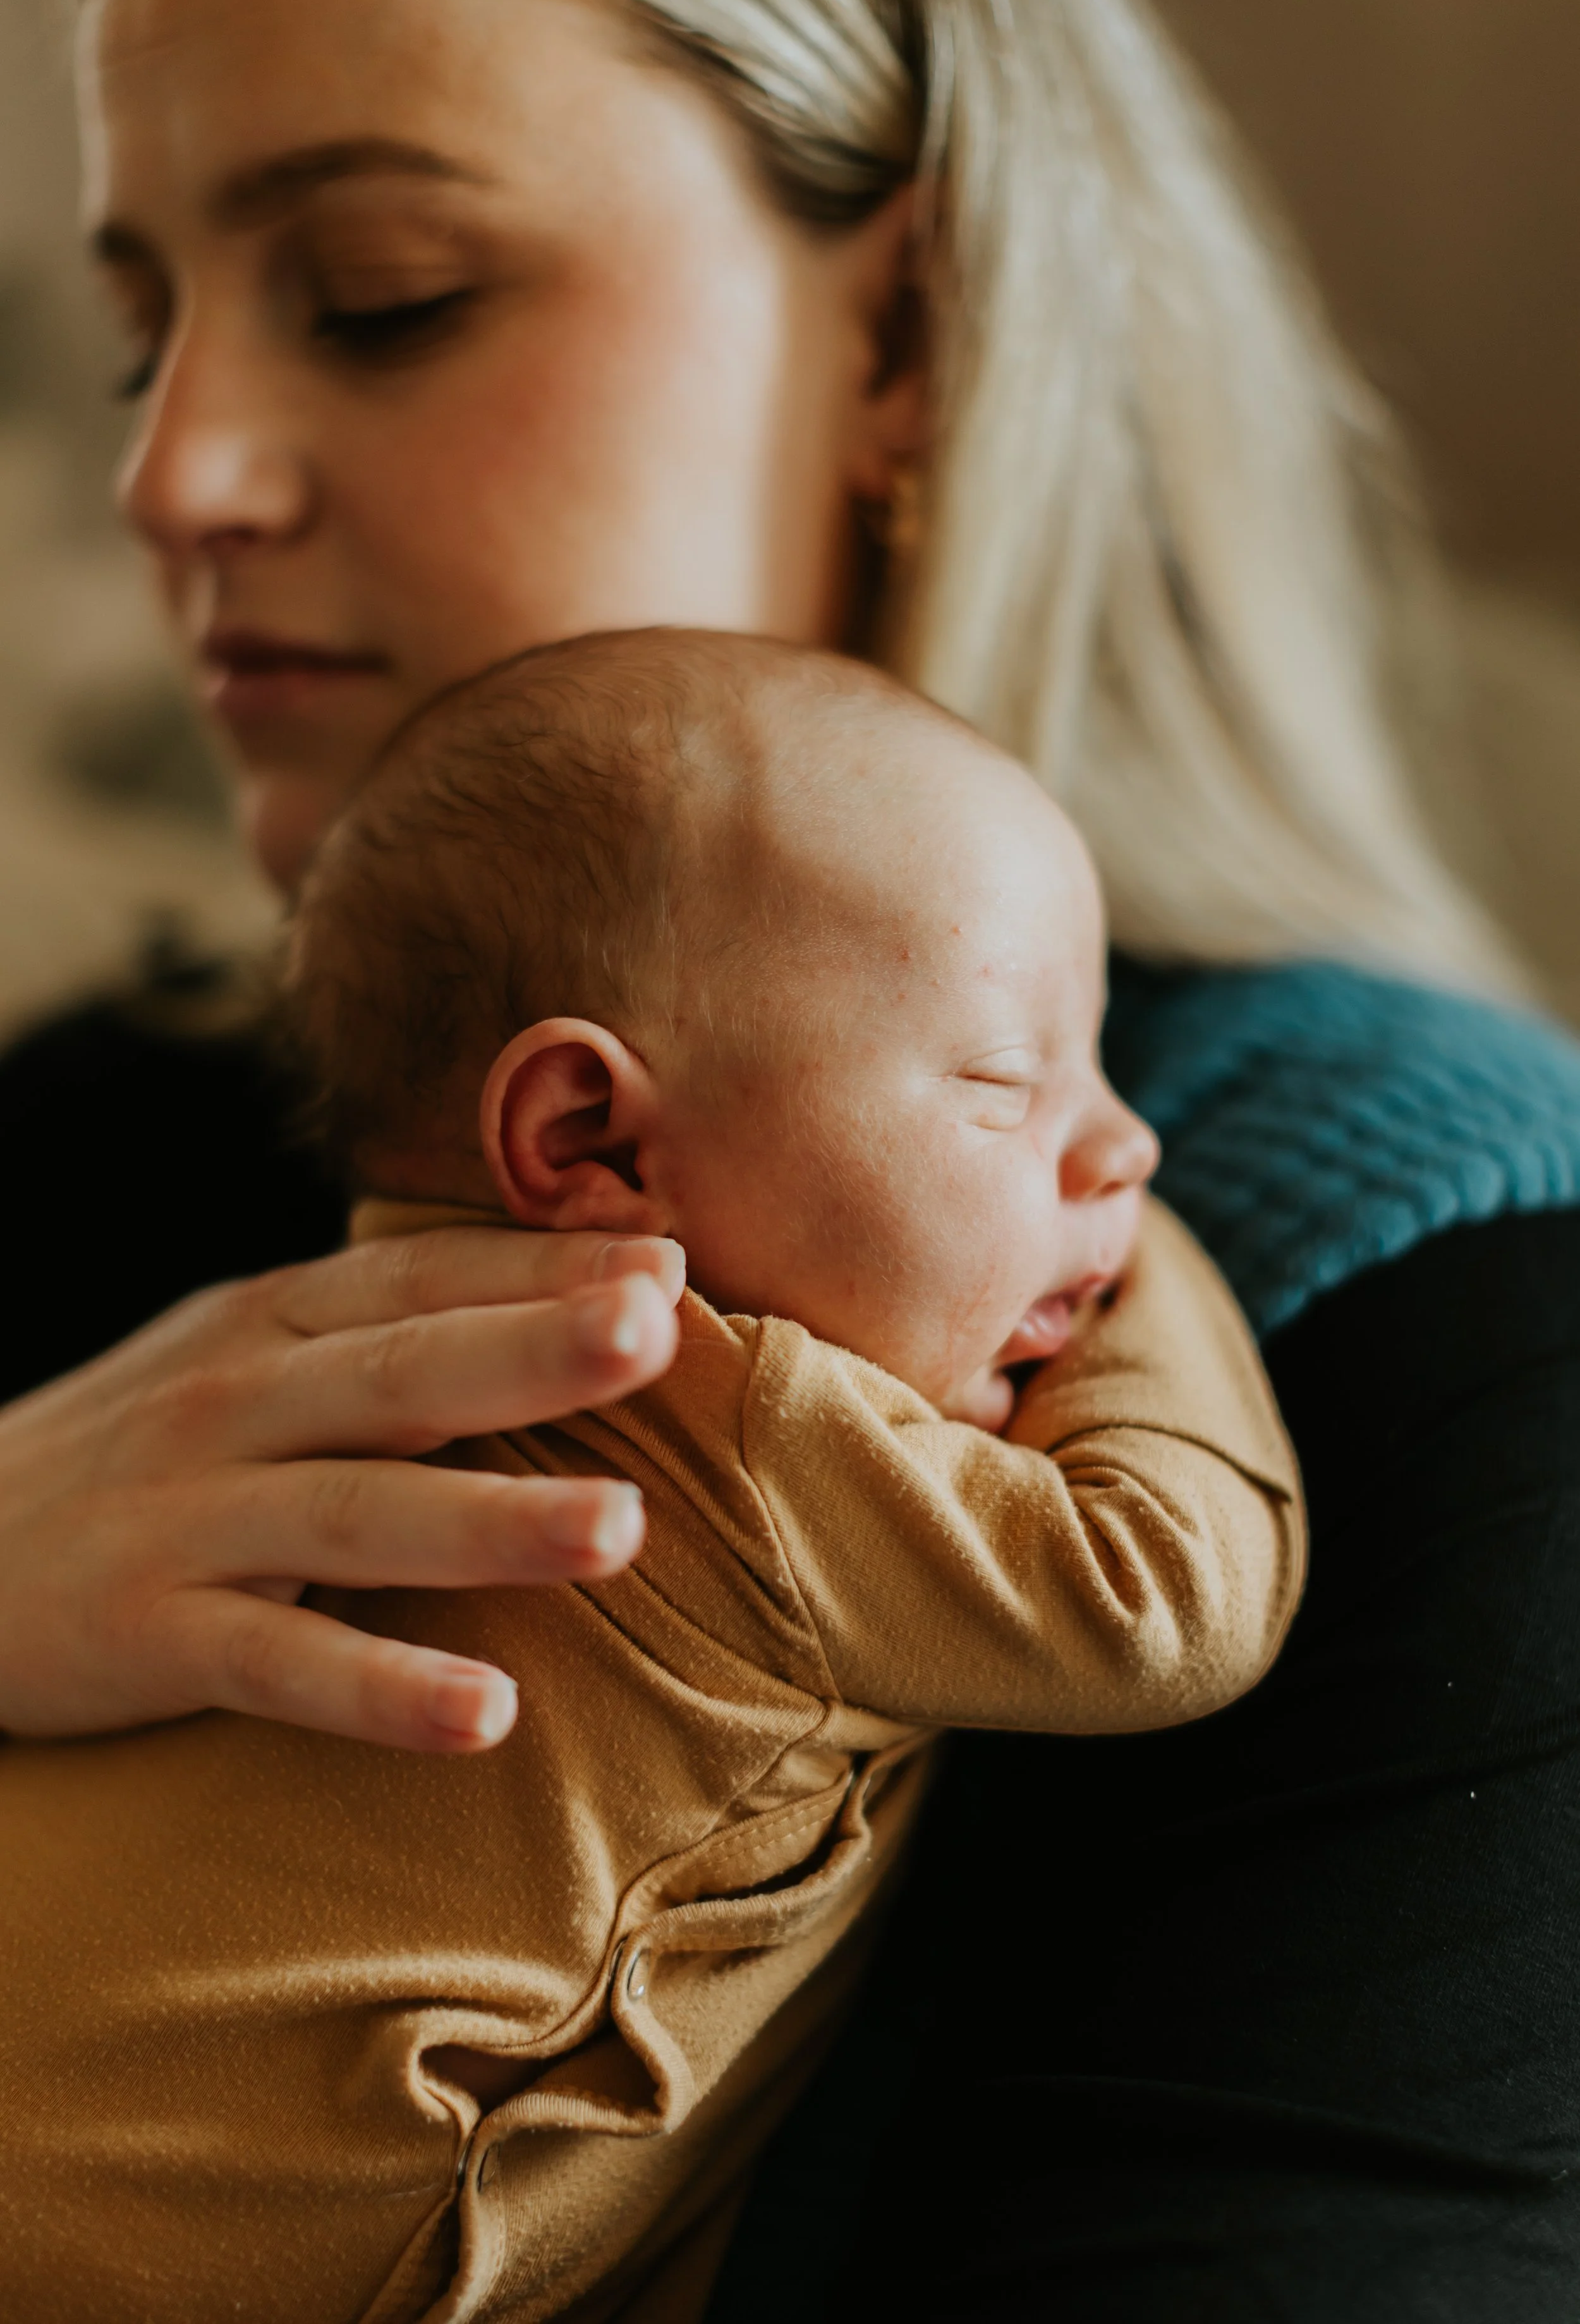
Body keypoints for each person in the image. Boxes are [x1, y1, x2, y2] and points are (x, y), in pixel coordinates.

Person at [1, 0, 1578, 2311]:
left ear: (910, 339)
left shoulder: (1464, 1329)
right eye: (142, 336)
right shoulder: (74, 1148)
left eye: (380, 293)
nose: (172, 474)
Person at [0, 630, 1305, 2320]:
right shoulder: (710, 1395)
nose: (1120, 1142)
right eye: (1004, 1076)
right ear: (592, 1148)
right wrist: (1151, 1257)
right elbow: (1156, 1597)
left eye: (1108, 1077)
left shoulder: (301, 1374)